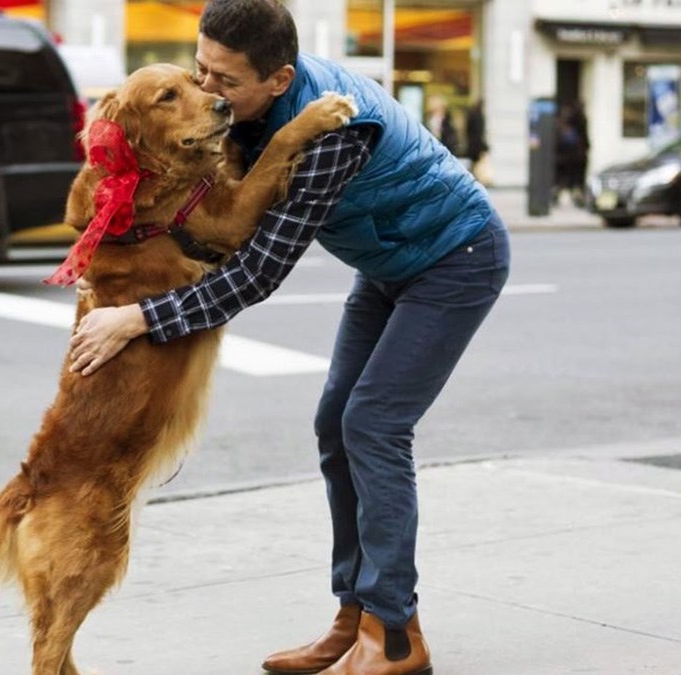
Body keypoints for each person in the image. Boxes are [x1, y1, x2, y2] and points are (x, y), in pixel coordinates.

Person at [67, 1, 510, 673]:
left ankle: (394, 632)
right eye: (200, 69)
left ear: (278, 81)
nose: (207, 93)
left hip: (455, 256)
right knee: (335, 422)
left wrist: (138, 319)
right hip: (387, 264)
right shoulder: (246, 108)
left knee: (373, 423)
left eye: (225, 81)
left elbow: (257, 272)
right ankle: (354, 613)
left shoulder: (332, 133)